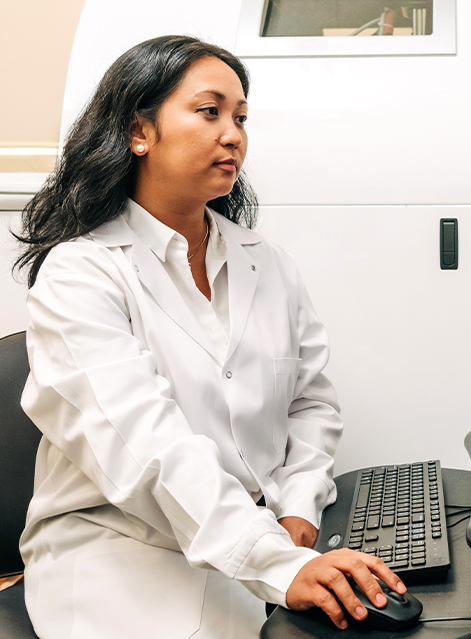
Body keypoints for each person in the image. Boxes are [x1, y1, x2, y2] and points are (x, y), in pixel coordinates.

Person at [14, 35, 404, 639]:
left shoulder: (265, 261)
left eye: (241, 117)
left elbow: (311, 401)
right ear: (138, 131)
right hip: (120, 546)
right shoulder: (80, 274)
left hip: (258, 533)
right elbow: (148, 449)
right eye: (209, 111)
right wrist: (277, 561)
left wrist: (298, 506)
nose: (234, 135)